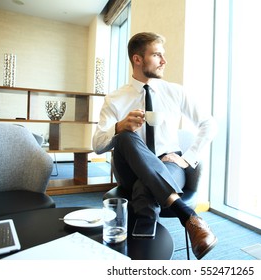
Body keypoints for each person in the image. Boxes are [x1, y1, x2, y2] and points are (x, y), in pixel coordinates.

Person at [92, 32, 218, 259]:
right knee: (124, 136)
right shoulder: (115, 98)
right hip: (129, 168)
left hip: (169, 164)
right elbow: (97, 145)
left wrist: (188, 158)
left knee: (144, 187)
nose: (164, 61)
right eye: (157, 55)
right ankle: (188, 216)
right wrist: (119, 126)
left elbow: (209, 124)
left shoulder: (175, 92)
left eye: (163, 55)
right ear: (138, 59)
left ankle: (144, 253)